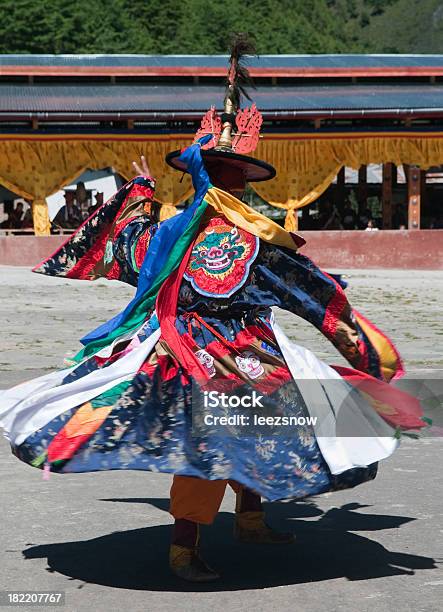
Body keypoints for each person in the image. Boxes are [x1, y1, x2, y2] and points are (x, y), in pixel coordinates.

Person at [0, 37, 423, 584]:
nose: (233, 186)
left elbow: (117, 240)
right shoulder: (238, 242)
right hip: (203, 355)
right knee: (215, 443)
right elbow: (312, 296)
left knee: (251, 432)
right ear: (239, 181)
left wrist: (140, 194)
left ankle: (249, 519)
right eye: (232, 177)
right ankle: (184, 547)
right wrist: (363, 345)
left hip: (223, 348)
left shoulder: (169, 233)